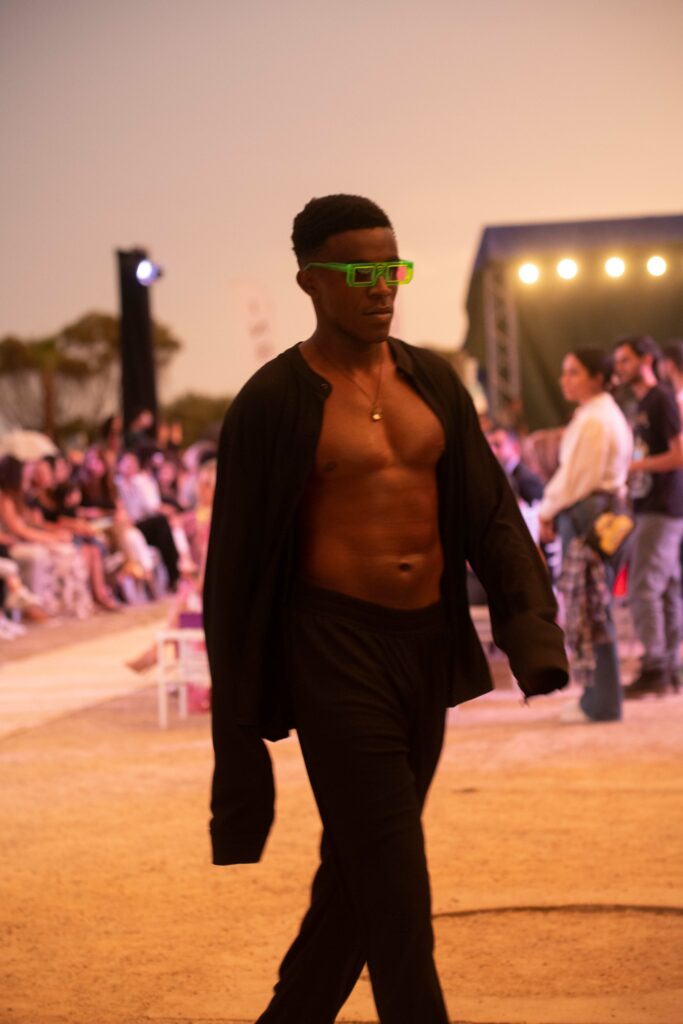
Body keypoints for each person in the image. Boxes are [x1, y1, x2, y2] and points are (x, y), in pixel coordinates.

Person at [203, 193, 568, 1024]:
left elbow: (489, 511)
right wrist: (238, 726)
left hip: (423, 647)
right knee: (395, 879)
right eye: (358, 272)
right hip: (333, 651)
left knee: (362, 868)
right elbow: (234, 572)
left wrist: (530, 629)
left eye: (391, 269)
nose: (381, 287)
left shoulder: (431, 380)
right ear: (310, 280)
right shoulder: (272, 401)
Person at [538, 349, 633, 723]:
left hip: (588, 511)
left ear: (597, 377)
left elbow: (576, 479)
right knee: (587, 607)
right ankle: (595, 697)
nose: (565, 379)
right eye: (564, 372)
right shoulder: (597, 413)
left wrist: (546, 510)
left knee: (591, 607)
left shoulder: (596, 418)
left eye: (574, 372)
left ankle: (603, 702)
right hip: (595, 509)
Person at [613, 335, 683, 697]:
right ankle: (669, 667)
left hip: (663, 506)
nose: (620, 368)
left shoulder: (661, 399)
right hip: (649, 505)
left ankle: (655, 665)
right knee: (666, 588)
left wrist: (634, 466)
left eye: (625, 360)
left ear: (646, 360)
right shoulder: (640, 403)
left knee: (643, 587)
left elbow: (679, 454)